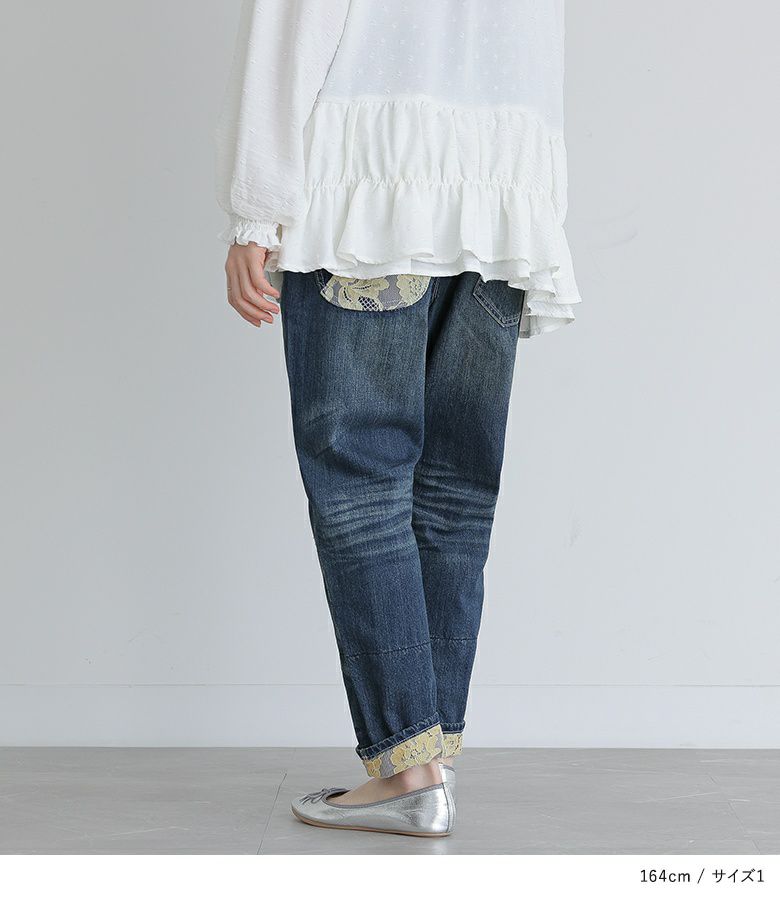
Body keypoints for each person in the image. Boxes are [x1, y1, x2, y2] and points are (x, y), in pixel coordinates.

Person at [216, 0, 580, 838]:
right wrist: (536, 209)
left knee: (362, 482)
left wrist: (255, 209)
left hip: (367, 194)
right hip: (499, 202)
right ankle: (429, 761)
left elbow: (290, 25)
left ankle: (408, 775)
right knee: (456, 490)